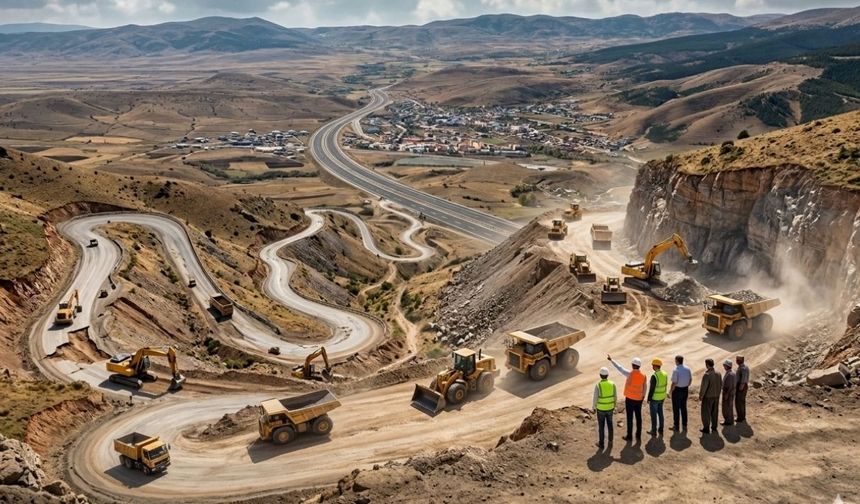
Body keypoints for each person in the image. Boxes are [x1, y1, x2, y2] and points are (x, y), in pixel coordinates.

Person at [607, 354, 647, 442]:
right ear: (639, 366)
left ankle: (629, 436)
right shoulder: (643, 376)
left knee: (630, 418)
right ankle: (638, 435)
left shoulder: (629, 374)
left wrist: (612, 360)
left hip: (629, 400)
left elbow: (620, 368)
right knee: (638, 417)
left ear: (633, 365)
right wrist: (642, 398)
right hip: (639, 400)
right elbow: (645, 388)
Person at [592, 367, 617, 449]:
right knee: (610, 425)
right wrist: (614, 406)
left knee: (601, 427)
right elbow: (615, 397)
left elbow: (595, 398)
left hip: (601, 409)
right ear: (608, 375)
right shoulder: (612, 384)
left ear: (600, 375)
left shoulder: (598, 385)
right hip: (610, 408)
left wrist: (594, 407)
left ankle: (601, 444)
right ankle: (610, 441)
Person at [699, 358, 722, 434]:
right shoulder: (718, 373)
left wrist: (701, 396)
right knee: (715, 412)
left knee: (706, 413)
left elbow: (704, 387)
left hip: (708, 397)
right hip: (716, 396)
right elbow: (721, 384)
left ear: (707, 365)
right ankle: (714, 427)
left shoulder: (707, 375)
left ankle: (706, 428)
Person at [670, 355, 692, 431]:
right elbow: (690, 380)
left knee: (676, 408)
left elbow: (674, 382)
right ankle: (684, 424)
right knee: (683, 407)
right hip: (685, 390)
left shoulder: (676, 370)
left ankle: (676, 426)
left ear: (677, 361)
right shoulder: (688, 369)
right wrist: (686, 385)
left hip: (677, 390)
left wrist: (671, 391)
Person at [647, 358, 668, 435]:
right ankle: (661, 429)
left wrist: (649, 399)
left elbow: (651, 389)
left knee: (654, 415)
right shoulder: (665, 374)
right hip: (662, 397)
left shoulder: (654, 376)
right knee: (660, 413)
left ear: (656, 366)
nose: (652, 367)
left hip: (655, 398)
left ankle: (654, 431)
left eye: (653, 365)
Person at [721, 359, 736, 426]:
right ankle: (730, 420)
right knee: (729, 407)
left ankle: (728, 421)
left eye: (724, 365)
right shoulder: (731, 373)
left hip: (728, 393)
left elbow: (730, 386)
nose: (724, 367)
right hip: (729, 393)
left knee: (727, 407)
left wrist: (727, 394)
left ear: (727, 366)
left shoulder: (730, 375)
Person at [735, 355, 750, 423]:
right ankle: (742, 416)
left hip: (741, 386)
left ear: (741, 360)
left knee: (739, 402)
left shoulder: (743, 368)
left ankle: (740, 417)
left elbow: (743, 380)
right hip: (741, 386)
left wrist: (740, 388)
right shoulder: (741, 367)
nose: (736, 361)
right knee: (741, 402)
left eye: (738, 360)